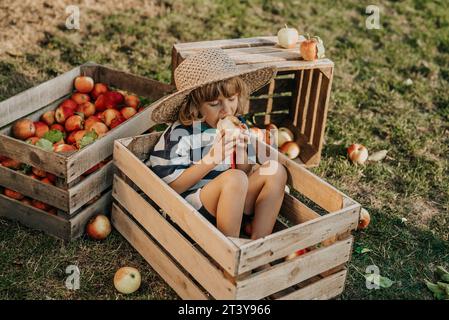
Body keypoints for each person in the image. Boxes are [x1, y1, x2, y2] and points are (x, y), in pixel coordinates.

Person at [148, 48, 287, 239]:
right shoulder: (180, 135)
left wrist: (241, 149)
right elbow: (170, 188)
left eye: (231, 99)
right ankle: (230, 255)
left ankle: (258, 248)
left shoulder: (237, 125)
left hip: (233, 204)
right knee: (235, 178)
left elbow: (245, 171)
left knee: (275, 170)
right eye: (214, 104)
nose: (226, 109)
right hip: (194, 211)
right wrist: (212, 159)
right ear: (194, 105)